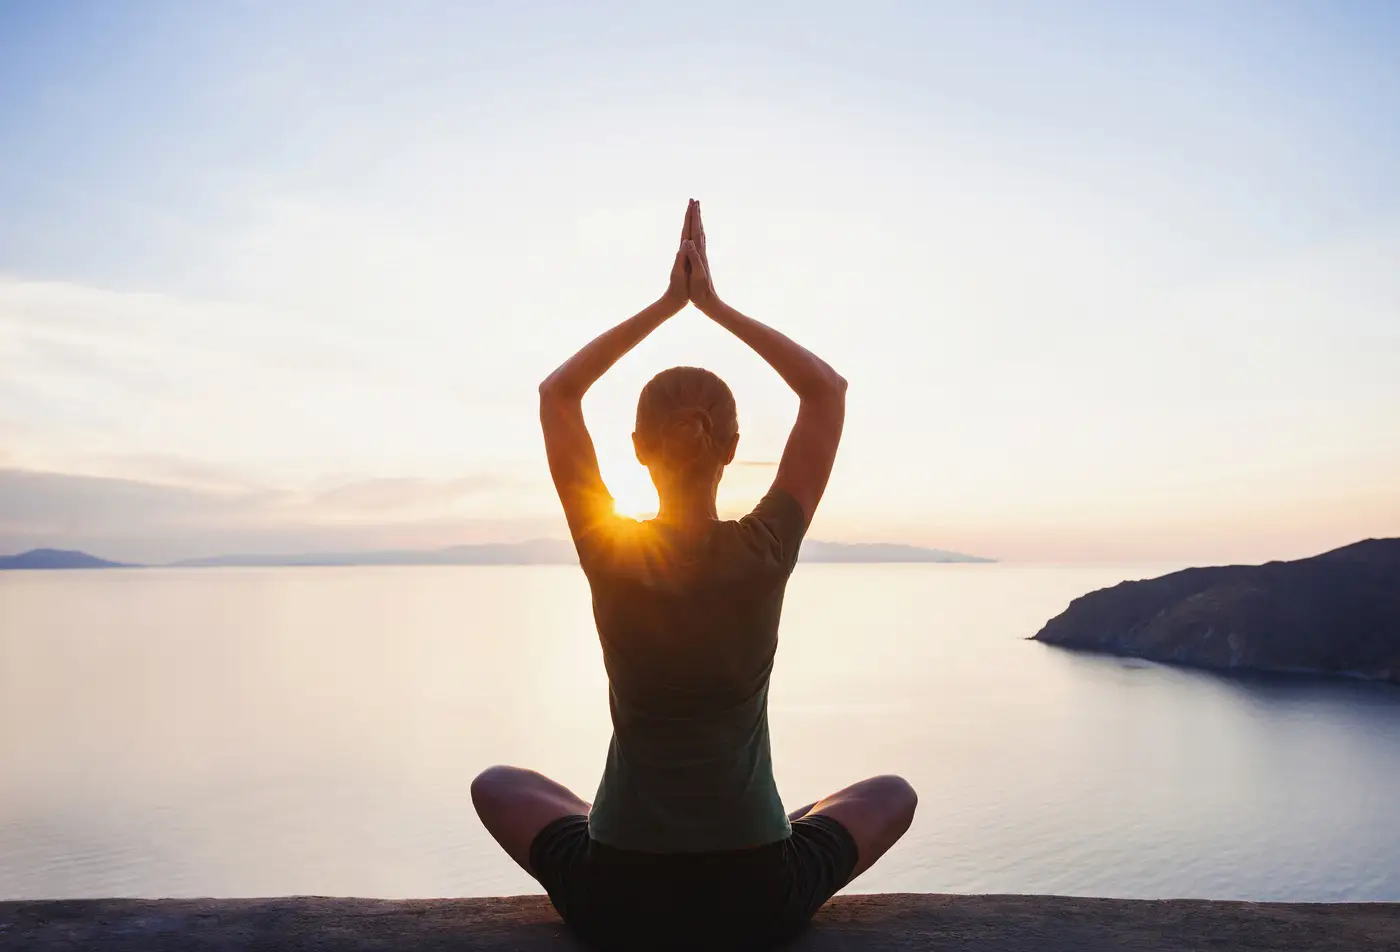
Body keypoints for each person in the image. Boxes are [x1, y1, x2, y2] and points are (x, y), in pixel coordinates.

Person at [472, 200, 917, 951]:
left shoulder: (610, 549)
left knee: (498, 785)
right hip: (756, 890)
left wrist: (666, 305)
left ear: (639, 448)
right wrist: (713, 306)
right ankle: (761, 823)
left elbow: (557, 396)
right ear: (732, 445)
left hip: (619, 889)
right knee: (891, 795)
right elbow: (827, 393)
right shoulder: (766, 546)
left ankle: (626, 823)